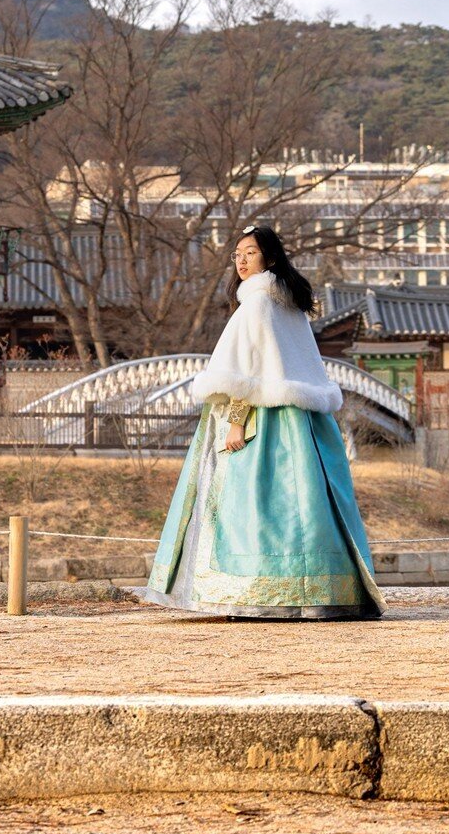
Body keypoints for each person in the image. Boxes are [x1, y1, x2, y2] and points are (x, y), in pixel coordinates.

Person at [145, 224, 386, 619]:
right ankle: (322, 593)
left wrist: (236, 422)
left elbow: (244, 372)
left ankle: (254, 593)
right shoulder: (290, 307)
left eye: (249, 253)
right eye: (237, 254)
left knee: (252, 506)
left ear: (269, 258)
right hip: (302, 425)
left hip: (263, 421)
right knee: (307, 507)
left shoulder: (256, 305)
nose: (240, 261)